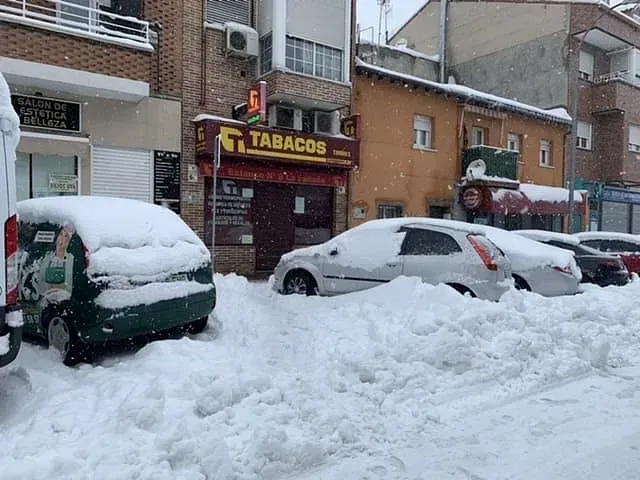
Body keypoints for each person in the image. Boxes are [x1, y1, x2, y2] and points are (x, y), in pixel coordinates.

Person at [38, 223, 75, 305]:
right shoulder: (47, 258)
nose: (62, 238)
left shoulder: (71, 259)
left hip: (64, 303)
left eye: (66, 236)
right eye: (61, 234)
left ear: (69, 242)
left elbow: (70, 284)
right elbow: (41, 281)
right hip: (46, 302)